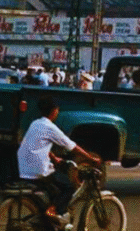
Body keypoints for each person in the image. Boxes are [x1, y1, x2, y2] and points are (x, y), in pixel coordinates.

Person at [17, 97, 101, 228]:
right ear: (54, 111)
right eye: (57, 110)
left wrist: (53, 157)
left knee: (54, 189)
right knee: (69, 187)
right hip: (38, 170)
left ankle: (50, 218)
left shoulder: (35, 123)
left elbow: (36, 145)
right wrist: (90, 158)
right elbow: (71, 146)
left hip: (24, 169)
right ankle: (53, 210)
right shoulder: (50, 127)